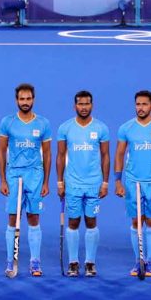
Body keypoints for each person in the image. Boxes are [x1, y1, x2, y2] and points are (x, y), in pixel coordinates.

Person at [115, 90, 151, 277]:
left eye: (144, 104)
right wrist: (117, 181)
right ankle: (138, 260)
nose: (140, 108)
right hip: (133, 181)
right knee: (136, 221)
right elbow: (119, 154)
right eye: (138, 104)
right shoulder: (126, 128)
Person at [0, 83, 52, 276]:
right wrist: (3, 180)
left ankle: (35, 261)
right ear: (16, 100)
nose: (25, 102)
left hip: (35, 175)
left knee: (33, 217)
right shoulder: (7, 122)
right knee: (13, 217)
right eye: (22, 99)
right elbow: (1, 151)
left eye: (28, 99)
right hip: (14, 174)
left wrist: (46, 182)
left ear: (33, 99)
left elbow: (47, 153)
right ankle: (10, 261)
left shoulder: (43, 123)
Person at [56, 90, 110, 277]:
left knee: (91, 221)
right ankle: (73, 262)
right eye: (80, 104)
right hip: (73, 183)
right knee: (73, 221)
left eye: (87, 104)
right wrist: (60, 182)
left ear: (92, 105)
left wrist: (105, 183)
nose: (84, 107)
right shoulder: (65, 128)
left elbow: (105, 156)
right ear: (74, 106)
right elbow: (61, 156)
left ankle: (90, 263)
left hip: (94, 184)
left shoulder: (101, 128)